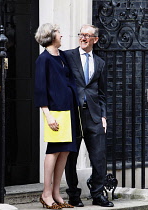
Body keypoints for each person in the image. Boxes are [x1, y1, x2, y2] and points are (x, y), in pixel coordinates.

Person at [65, 24, 114, 208]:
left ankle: (98, 194)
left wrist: (103, 116)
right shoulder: (68, 56)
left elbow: (102, 93)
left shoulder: (100, 63)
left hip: (94, 116)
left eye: (87, 35)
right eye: (81, 35)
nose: (83, 38)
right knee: (71, 156)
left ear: (95, 39)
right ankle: (73, 195)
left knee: (99, 156)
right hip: (73, 114)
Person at [34, 23, 79, 209]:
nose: (62, 35)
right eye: (59, 32)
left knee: (66, 150)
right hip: (54, 111)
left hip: (68, 109)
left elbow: (70, 80)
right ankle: (46, 194)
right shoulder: (43, 59)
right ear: (51, 36)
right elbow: (40, 88)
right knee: (53, 150)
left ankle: (56, 193)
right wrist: (48, 115)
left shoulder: (62, 56)